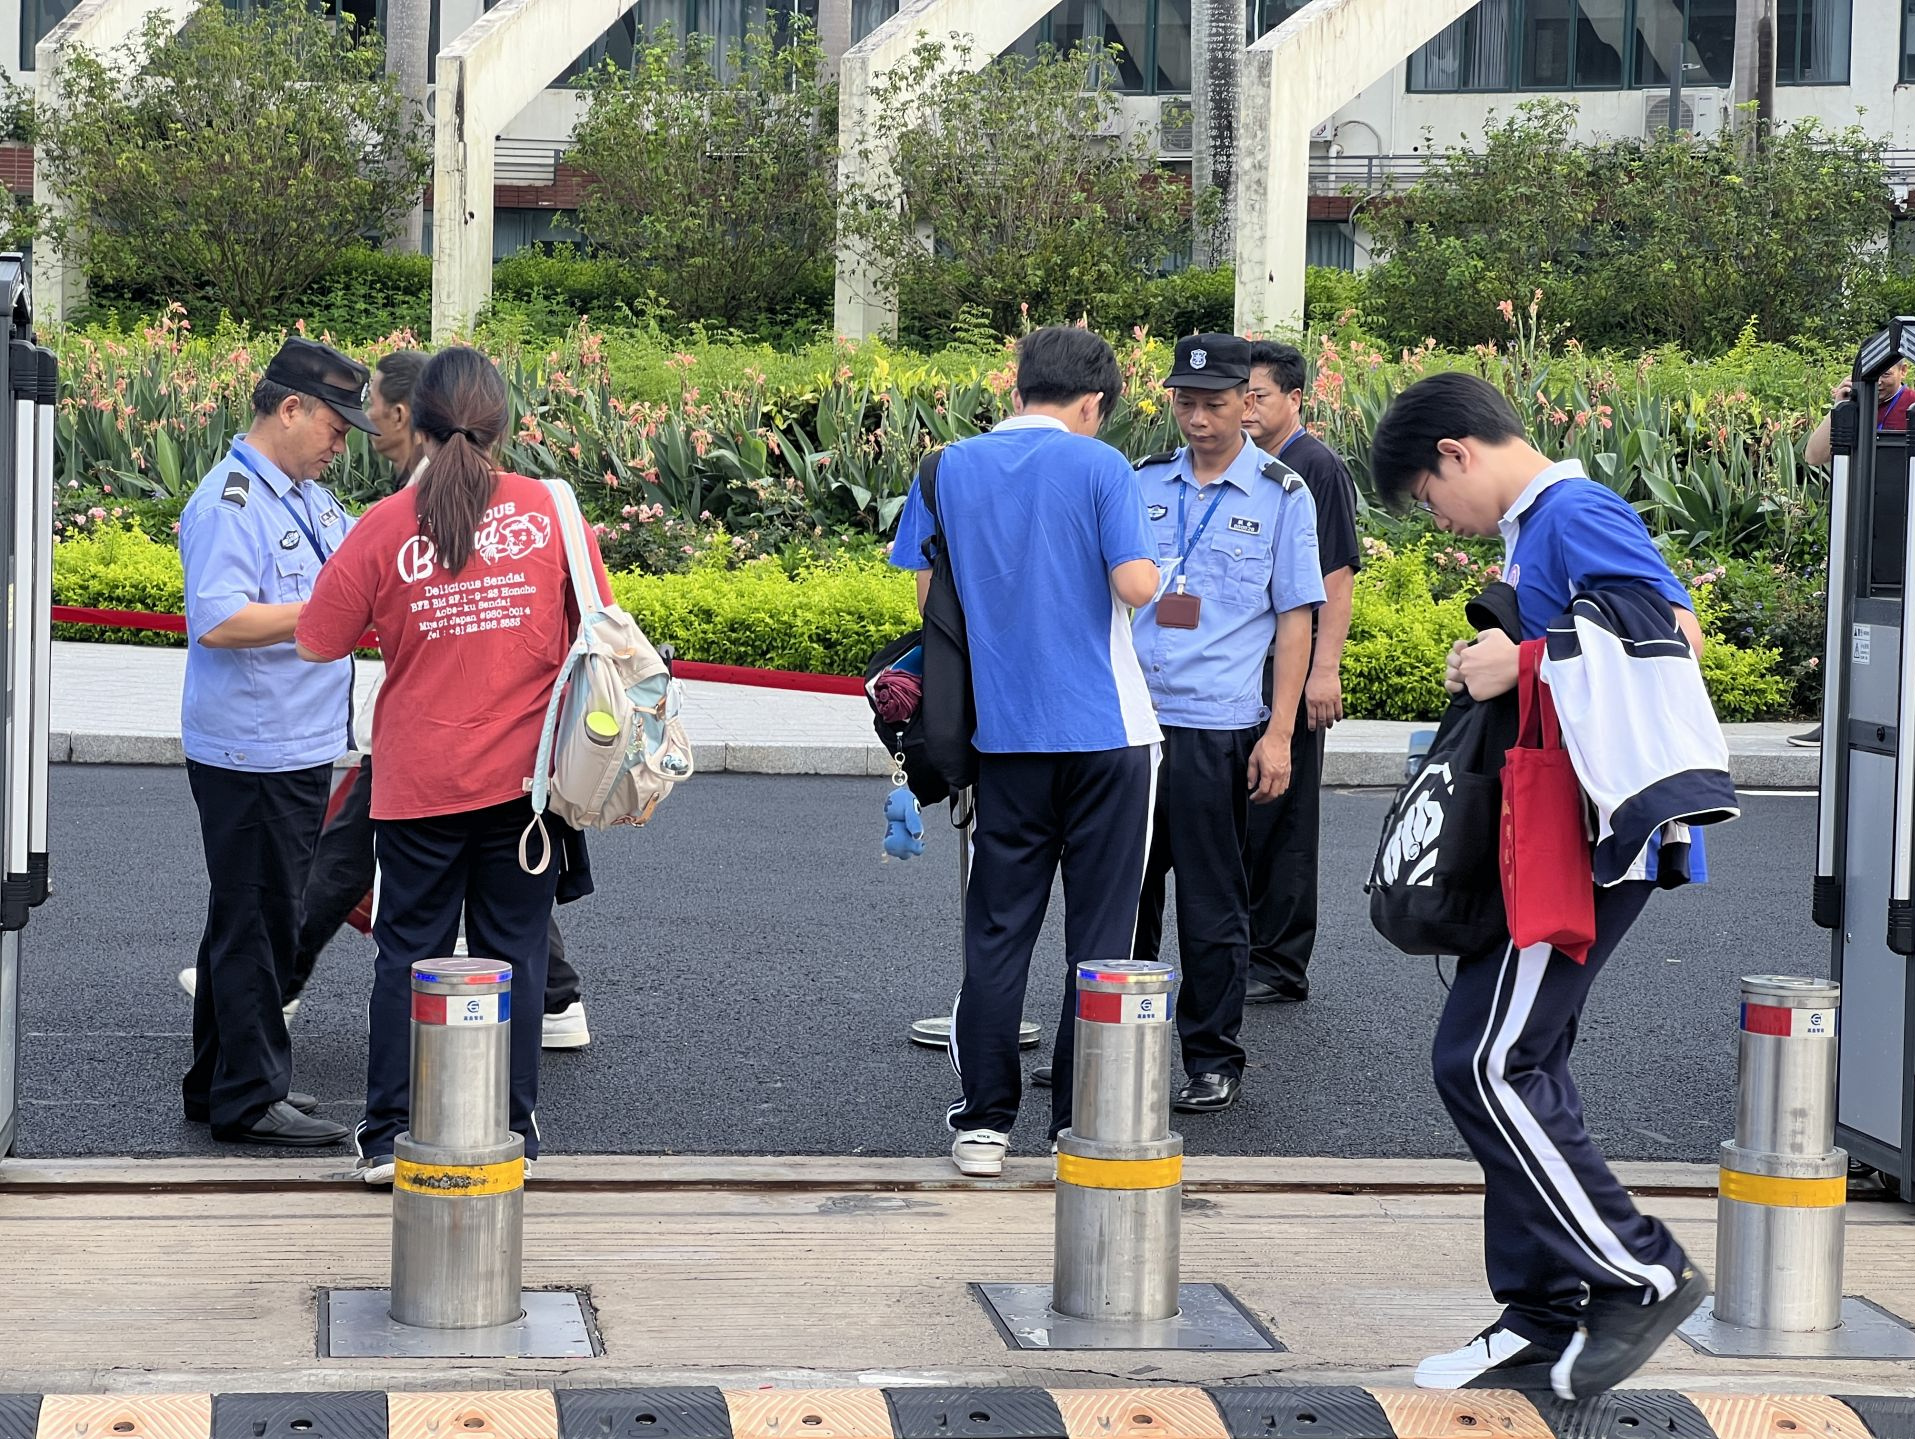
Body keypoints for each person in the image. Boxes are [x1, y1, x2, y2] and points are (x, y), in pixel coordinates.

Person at [1369, 372, 1707, 1399]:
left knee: (1489, 1060)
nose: (1440, 517)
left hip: (1587, 839)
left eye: (1430, 498)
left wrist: (1515, 658)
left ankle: (1640, 1271)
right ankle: (1538, 1310)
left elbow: (1673, 637)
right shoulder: (1538, 523)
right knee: (1512, 1055)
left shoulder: (1574, 510)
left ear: (1457, 453)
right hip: (1550, 832)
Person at [296, 345, 610, 1185]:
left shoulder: (384, 525)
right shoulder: (550, 513)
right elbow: (602, 626)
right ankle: (513, 1134)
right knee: (516, 958)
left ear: (416, 421)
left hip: (416, 784)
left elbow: (317, 638)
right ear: (502, 422)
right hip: (527, 788)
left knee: (407, 954)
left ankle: (387, 1134)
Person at [888, 326, 1163, 1179]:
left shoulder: (945, 468)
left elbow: (930, 596)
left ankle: (982, 1122)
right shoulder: (1101, 466)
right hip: (1109, 735)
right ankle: (1080, 1119)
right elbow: (1133, 585)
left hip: (1000, 738)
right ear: (1093, 404)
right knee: (1102, 935)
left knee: (997, 929)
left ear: (1016, 390)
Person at [177, 338, 370, 1148]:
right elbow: (219, 620)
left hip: (291, 743)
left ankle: (214, 1081)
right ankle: (251, 1097)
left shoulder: (306, 496)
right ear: (288, 409)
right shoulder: (230, 502)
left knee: (243, 913)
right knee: (263, 921)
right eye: (333, 424)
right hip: (252, 752)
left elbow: (362, 560)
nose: (341, 442)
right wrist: (328, 612)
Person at [1129, 334, 1325, 1114]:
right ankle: (1109, 1043)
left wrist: (1278, 733)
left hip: (1217, 731)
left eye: (1214, 403)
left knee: (1212, 908)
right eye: (1185, 401)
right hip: (1133, 727)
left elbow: (1294, 622)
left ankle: (1212, 1056)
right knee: (1120, 904)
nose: (1198, 418)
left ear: (1249, 401)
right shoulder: (1139, 482)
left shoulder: (1282, 495)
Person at [1239, 340, 1361, 1005]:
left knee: (1283, 818)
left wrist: (1324, 670)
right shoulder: (1244, 465)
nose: (1246, 407)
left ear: (1294, 399)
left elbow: (1335, 577)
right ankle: (1243, 949)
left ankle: (1279, 962)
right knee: (1243, 814)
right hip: (1241, 667)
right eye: (1242, 395)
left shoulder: (1314, 466)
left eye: (1258, 395)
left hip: (1290, 668)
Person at [1795, 361, 1910, 746]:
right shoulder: (1856, 408)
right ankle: (1838, 719)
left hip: (1902, 537)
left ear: (1904, 370)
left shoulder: (1911, 403)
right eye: (1873, 377)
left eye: (1887, 375)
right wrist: (1840, 408)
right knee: (1846, 630)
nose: (1879, 384)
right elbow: (1813, 456)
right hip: (1859, 534)